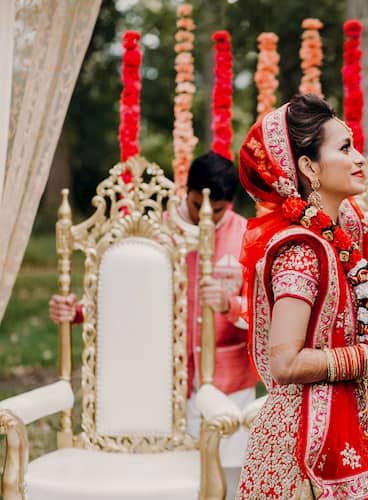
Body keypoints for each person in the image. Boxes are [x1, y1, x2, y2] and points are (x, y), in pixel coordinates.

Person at [234, 94, 368, 499]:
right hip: (306, 445)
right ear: (308, 166)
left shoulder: (347, 235)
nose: (359, 158)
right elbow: (284, 362)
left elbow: (356, 322)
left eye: (354, 145)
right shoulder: (302, 251)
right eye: (344, 148)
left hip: (361, 423)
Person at [48, 151, 258, 494]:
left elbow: (265, 313)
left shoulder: (248, 237)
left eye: (218, 210)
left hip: (228, 380)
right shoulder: (158, 230)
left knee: (231, 473)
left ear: (230, 204)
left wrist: (230, 304)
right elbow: (123, 294)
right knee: (180, 475)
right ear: (186, 191)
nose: (205, 215)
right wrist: (78, 312)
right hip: (164, 377)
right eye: (196, 204)